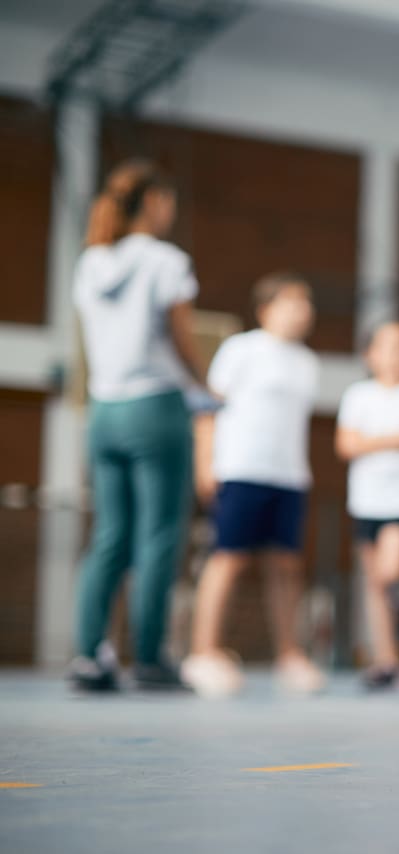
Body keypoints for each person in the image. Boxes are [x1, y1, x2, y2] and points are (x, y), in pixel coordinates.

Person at [69, 159, 206, 691]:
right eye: (167, 201)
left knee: (109, 535)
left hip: (103, 410)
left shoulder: (91, 262)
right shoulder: (165, 260)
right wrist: (205, 384)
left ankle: (89, 655)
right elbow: (179, 333)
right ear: (152, 203)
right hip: (155, 407)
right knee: (159, 535)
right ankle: (149, 658)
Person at [181, 273, 325, 698]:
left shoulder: (307, 363)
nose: (304, 311)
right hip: (241, 469)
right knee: (228, 558)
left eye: (307, 303)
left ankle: (290, 654)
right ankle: (203, 652)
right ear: (267, 309)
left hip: (289, 476)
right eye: (294, 301)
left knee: (286, 565)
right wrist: (205, 463)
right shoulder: (241, 349)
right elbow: (209, 409)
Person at [336, 320, 399, 690]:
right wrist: (398, 439)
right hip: (366, 500)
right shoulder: (358, 395)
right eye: (387, 347)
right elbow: (346, 445)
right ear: (370, 355)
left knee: (389, 572)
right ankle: (386, 660)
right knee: (374, 585)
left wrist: (372, 441)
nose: (396, 355)